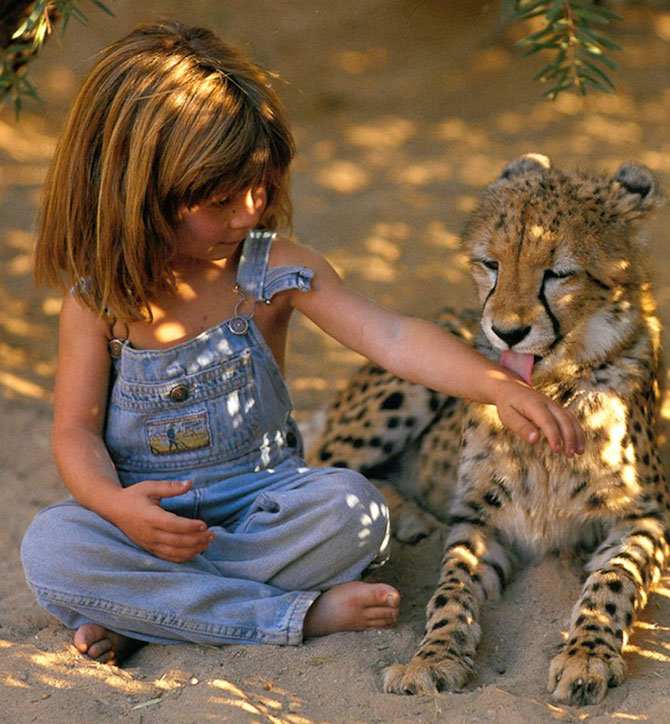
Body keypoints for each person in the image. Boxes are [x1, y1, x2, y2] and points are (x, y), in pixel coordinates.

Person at [21, 19, 584, 667]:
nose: (251, 211)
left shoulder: (273, 270)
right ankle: (291, 614)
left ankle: (154, 612)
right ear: (136, 193)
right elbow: (76, 433)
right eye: (223, 198)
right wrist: (115, 507)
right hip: (143, 524)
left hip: (264, 506)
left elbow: (391, 335)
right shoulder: (98, 303)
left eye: (261, 187)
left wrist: (493, 383)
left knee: (356, 511)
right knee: (52, 545)